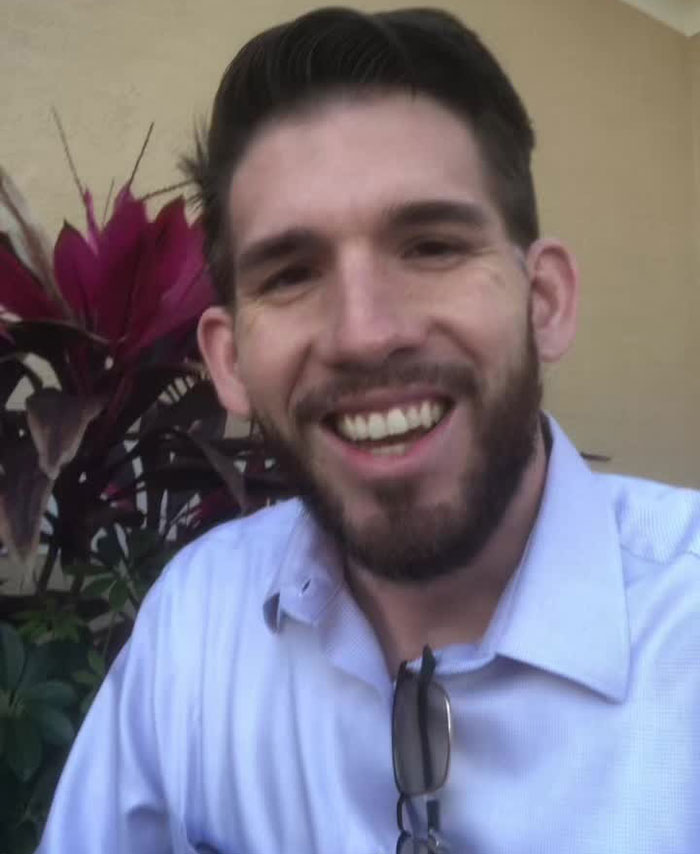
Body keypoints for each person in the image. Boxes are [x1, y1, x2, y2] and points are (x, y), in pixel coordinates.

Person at [38, 7, 700, 853]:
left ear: (544, 305)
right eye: (291, 273)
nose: (364, 333)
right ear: (231, 360)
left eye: (430, 246)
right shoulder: (196, 628)